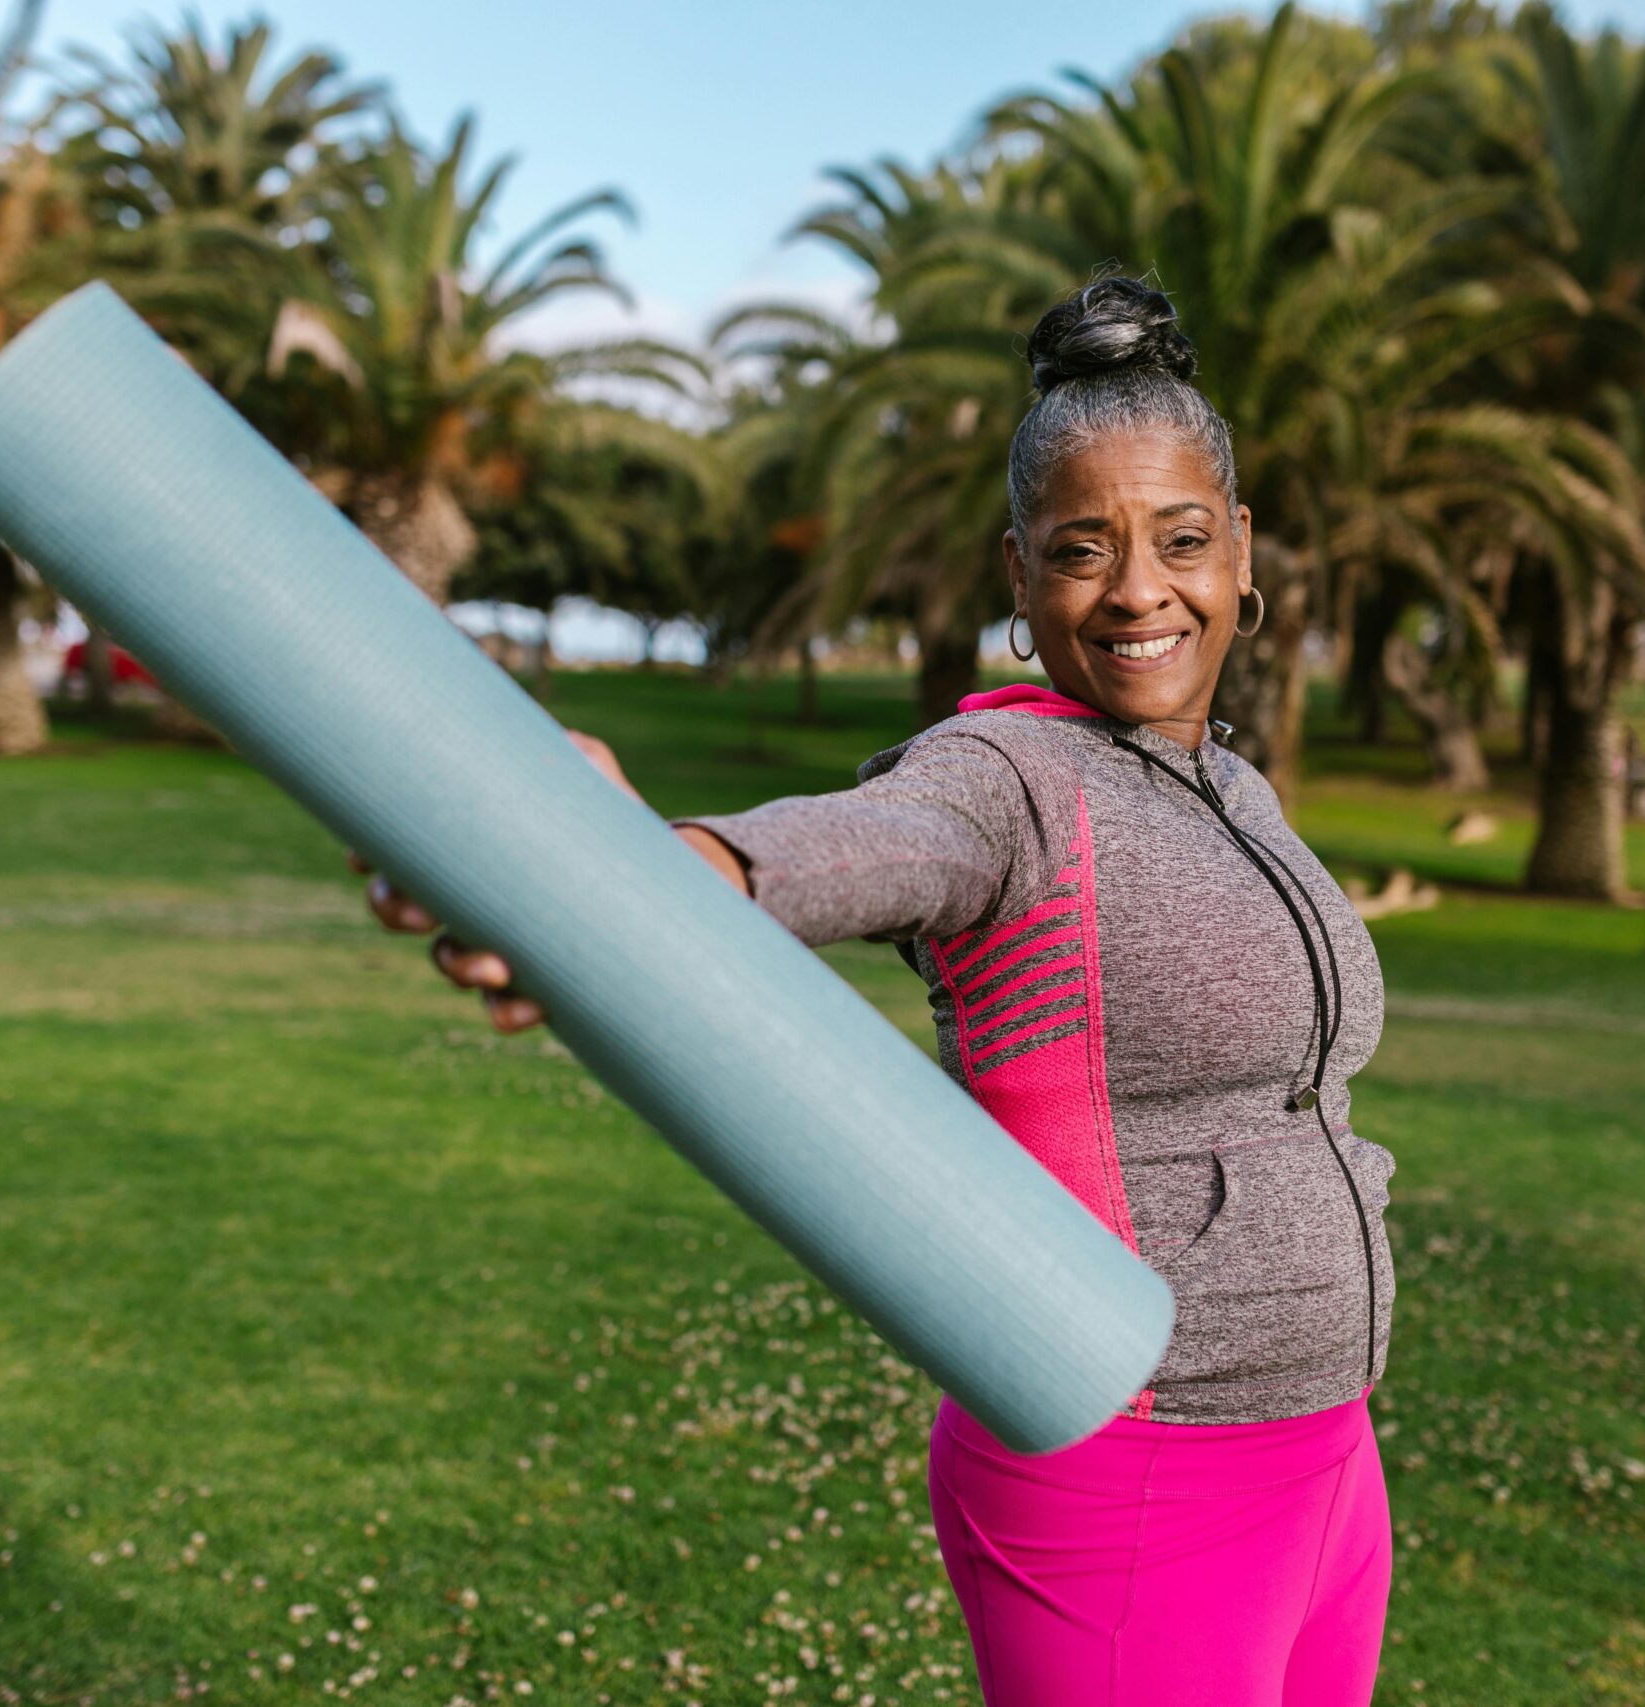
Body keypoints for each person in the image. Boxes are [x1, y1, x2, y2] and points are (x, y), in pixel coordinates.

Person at [353, 274, 1396, 1705]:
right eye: (1081, 550)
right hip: (1131, 1470)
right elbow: (854, 847)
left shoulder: (1234, 785)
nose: (1140, 591)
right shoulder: (1005, 783)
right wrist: (622, 870)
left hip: (1330, 1457)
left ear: (1241, 548)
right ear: (1019, 576)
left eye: (1181, 539)